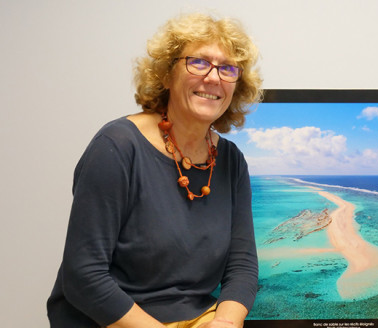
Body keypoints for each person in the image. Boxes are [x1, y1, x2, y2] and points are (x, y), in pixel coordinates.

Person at [47, 13, 261, 328]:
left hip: (196, 319)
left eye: (227, 69)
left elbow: (242, 267)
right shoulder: (117, 147)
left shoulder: (231, 160)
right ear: (165, 75)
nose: (214, 78)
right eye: (198, 63)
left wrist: (225, 323)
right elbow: (83, 276)